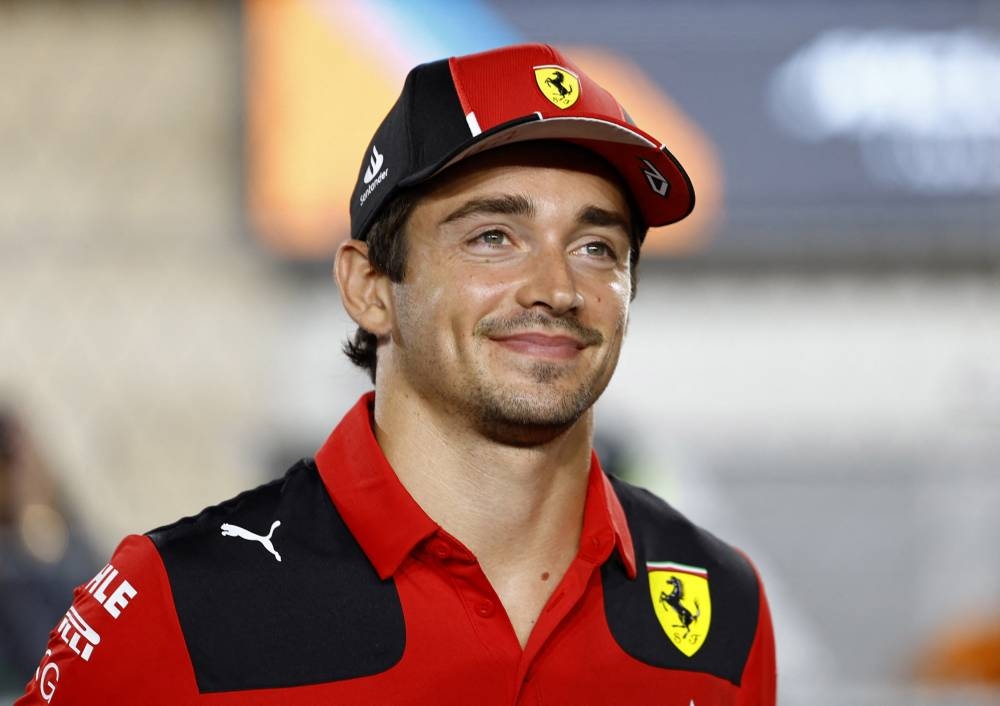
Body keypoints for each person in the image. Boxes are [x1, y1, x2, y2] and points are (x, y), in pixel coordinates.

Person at [17, 44, 776, 704]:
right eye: (493, 236)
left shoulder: (724, 607)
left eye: (596, 247)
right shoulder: (171, 604)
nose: (557, 287)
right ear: (370, 288)